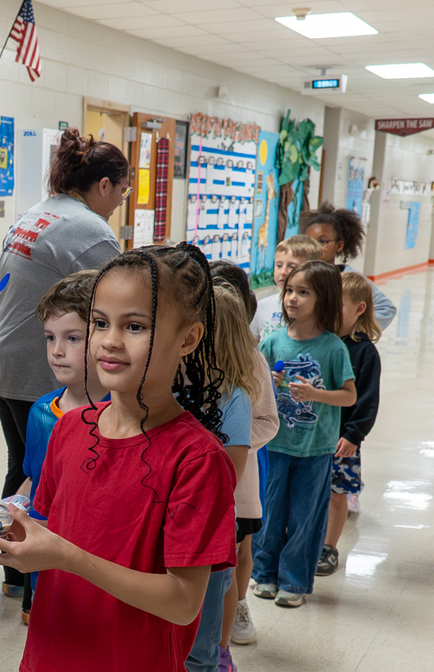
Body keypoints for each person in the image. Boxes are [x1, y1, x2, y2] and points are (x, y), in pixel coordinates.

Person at [0, 243, 238, 672]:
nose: (109, 341)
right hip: (51, 653)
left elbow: (184, 602)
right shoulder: (69, 430)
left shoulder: (197, 459)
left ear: (187, 338)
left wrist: (68, 557)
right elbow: (55, 529)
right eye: (99, 323)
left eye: (134, 326)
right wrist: (5, 526)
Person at [0, 128, 128, 596]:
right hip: (32, 364)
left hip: (0, 356)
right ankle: (36, 574)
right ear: (103, 185)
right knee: (44, 471)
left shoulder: (39, 212)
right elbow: (121, 296)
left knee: (22, 462)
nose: (120, 202)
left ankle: (14, 571)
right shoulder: (90, 230)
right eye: (121, 191)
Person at [254, 261, 356, 608]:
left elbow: (349, 394)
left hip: (315, 448)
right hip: (275, 445)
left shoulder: (332, 348)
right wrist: (269, 381)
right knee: (270, 513)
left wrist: (315, 395)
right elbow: (253, 387)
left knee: (304, 517)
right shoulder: (272, 342)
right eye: (290, 291)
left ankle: (294, 581)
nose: (292, 299)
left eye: (303, 292)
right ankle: (264, 574)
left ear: (323, 298)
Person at [14, 269, 105, 624]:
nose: (57, 351)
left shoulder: (127, 417)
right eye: (50, 338)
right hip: (46, 564)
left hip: (99, 568)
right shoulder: (41, 413)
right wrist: (5, 511)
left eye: (72, 338)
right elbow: (35, 483)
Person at [186, 284, 255, 672]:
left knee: (200, 648)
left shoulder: (233, 399)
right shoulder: (170, 390)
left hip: (207, 531)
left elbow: (227, 477)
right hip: (165, 527)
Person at [209, 264, 278, 650]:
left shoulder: (252, 362)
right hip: (194, 481)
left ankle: (236, 606)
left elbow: (269, 421)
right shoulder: (183, 360)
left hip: (239, 484)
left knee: (237, 551)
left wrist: (231, 443)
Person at [316, 272, 382, 575]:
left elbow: (367, 401)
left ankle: (329, 547)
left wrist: (354, 434)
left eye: (337, 306)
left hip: (342, 438)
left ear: (359, 309)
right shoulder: (320, 343)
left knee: (336, 494)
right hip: (313, 434)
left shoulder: (365, 352)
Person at [301, 201, 396, 330]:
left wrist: (352, 329)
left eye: (322, 241)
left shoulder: (350, 278)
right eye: (309, 241)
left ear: (339, 245)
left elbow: (386, 308)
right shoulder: (301, 275)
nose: (315, 247)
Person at [249, 235, 322, 341]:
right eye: (279, 265)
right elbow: (252, 345)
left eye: (292, 267)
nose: (283, 272)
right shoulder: (263, 305)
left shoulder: (316, 307)